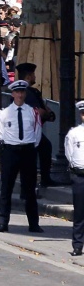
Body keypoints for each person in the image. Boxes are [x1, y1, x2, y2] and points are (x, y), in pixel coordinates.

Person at [0, 77, 42, 233]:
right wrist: (6, 147)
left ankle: (33, 223)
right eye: (17, 92)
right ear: (12, 94)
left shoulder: (32, 112)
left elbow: (37, 132)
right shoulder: (4, 113)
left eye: (22, 92)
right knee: (6, 187)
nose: (20, 95)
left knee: (30, 189)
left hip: (27, 151)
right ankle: (3, 222)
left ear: (25, 94)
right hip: (10, 151)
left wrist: (30, 147)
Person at [65, 101, 84, 257]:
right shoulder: (74, 133)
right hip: (80, 175)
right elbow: (69, 153)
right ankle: (77, 245)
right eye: (83, 113)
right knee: (79, 213)